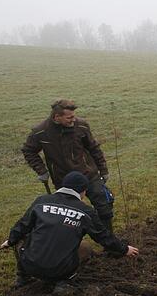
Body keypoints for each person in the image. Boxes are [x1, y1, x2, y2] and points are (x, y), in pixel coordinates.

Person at [1, 171, 139, 296]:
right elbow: (103, 236)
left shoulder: (41, 201)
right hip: (60, 269)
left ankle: (22, 277)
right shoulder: (85, 211)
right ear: (83, 191)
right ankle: (64, 282)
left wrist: (10, 241)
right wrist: (124, 249)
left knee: (20, 237)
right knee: (85, 248)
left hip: (29, 265)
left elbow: (21, 226)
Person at [21, 99, 116, 233]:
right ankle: (71, 243)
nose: (73, 120)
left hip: (88, 174)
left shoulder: (81, 126)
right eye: (69, 117)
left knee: (104, 206)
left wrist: (103, 169)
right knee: (68, 216)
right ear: (57, 117)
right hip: (64, 180)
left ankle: (108, 240)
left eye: (74, 116)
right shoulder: (40, 132)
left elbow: (94, 148)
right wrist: (41, 170)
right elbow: (28, 150)